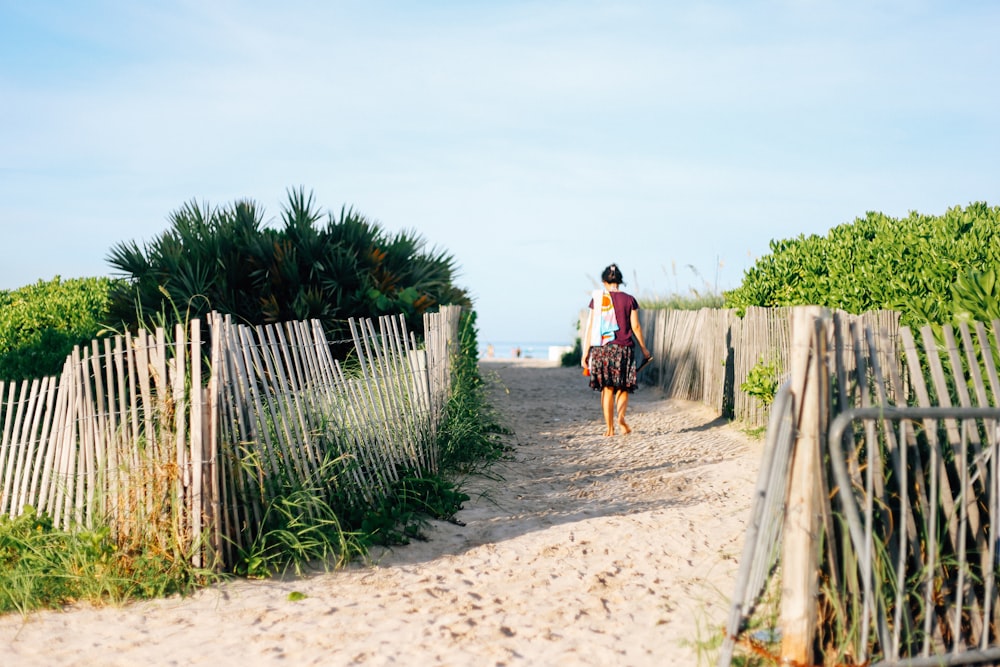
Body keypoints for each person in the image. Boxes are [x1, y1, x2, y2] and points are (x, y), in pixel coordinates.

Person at [581, 263, 651, 436]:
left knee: (607, 389)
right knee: (623, 388)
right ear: (620, 280)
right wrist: (644, 349)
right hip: (624, 349)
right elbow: (636, 326)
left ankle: (610, 428)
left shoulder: (597, 300)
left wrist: (585, 353)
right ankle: (621, 418)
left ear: (604, 281)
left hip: (602, 349)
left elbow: (591, 327)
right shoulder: (629, 300)